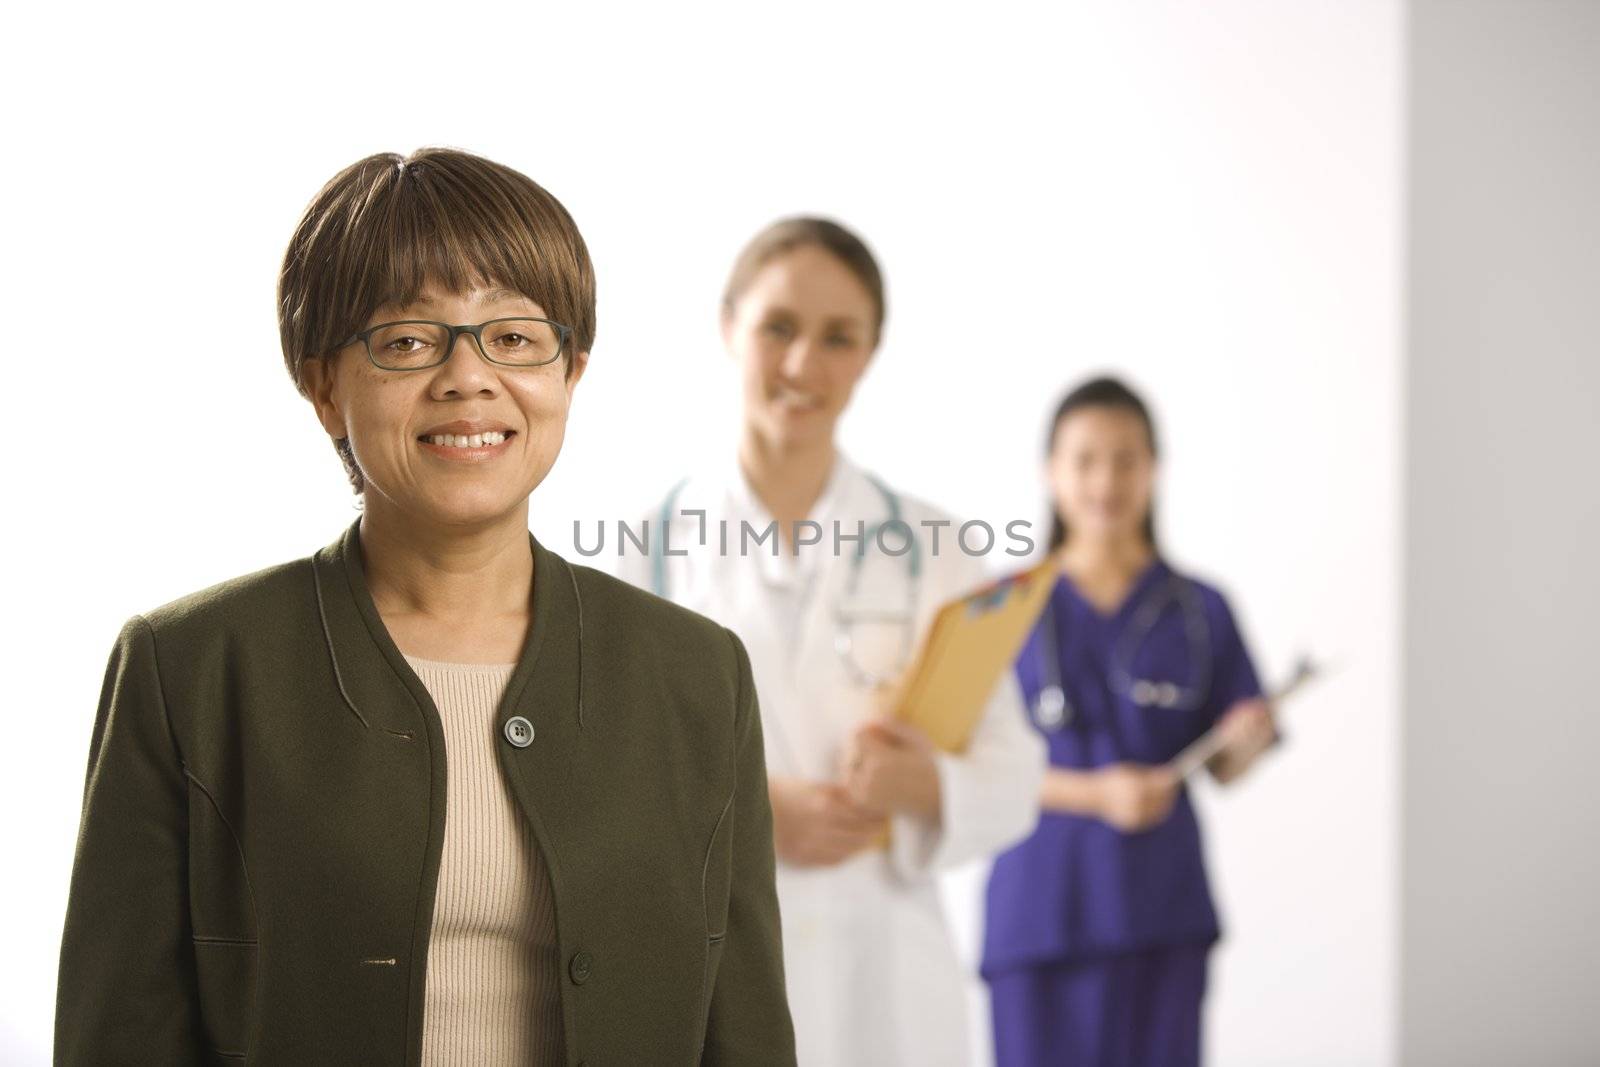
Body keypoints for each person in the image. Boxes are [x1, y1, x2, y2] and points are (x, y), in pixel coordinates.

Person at [54, 148, 795, 1066]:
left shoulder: (696, 672)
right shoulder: (191, 667)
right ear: (323, 384)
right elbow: (114, 1036)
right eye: (407, 341)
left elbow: (748, 1028)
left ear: (572, 371)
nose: (468, 377)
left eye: (514, 338)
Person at [614, 216, 1046, 1066]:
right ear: (729, 324)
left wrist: (926, 783)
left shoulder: (938, 547)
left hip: (886, 986)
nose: (803, 364)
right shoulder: (643, 552)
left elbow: (1016, 772)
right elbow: (599, 785)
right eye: (778, 326)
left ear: (870, 353)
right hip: (713, 975)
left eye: (838, 337)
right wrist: (755, 813)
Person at [980, 375, 1280, 1067]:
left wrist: (1246, 742)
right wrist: (1095, 794)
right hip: (1039, 915)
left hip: (1160, 910)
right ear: (1049, 471)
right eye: (1084, 459)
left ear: (1154, 468)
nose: (1105, 480)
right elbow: (966, 766)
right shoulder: (998, 608)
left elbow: (1226, 767)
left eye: (1126, 459)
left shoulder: (1202, 609)